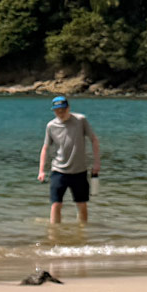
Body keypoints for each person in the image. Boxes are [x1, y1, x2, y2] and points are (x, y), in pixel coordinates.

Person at [38, 95, 100, 224]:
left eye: (63, 110)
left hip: (79, 171)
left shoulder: (81, 120)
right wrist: (41, 170)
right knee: (56, 204)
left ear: (68, 108)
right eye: (57, 111)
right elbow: (45, 148)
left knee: (81, 204)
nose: (60, 113)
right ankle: (54, 232)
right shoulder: (51, 126)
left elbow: (94, 140)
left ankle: (82, 231)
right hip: (58, 170)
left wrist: (96, 163)